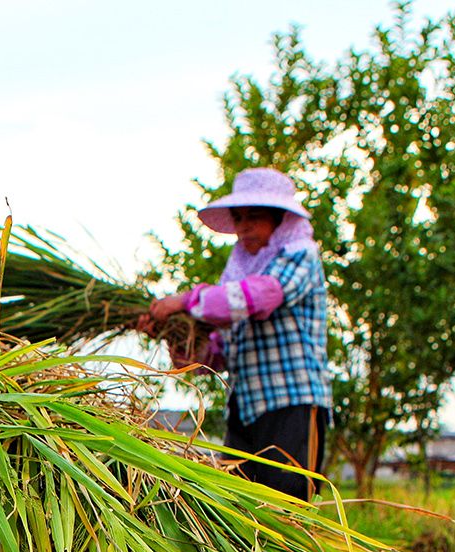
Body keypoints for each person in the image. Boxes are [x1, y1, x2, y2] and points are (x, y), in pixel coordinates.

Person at [139, 167, 333, 501]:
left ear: (279, 219)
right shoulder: (240, 274)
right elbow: (220, 353)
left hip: (290, 405)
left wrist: (184, 301)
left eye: (254, 217)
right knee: (240, 506)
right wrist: (178, 336)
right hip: (245, 408)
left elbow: (257, 297)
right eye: (238, 218)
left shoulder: (299, 255)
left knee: (284, 506)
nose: (244, 227)